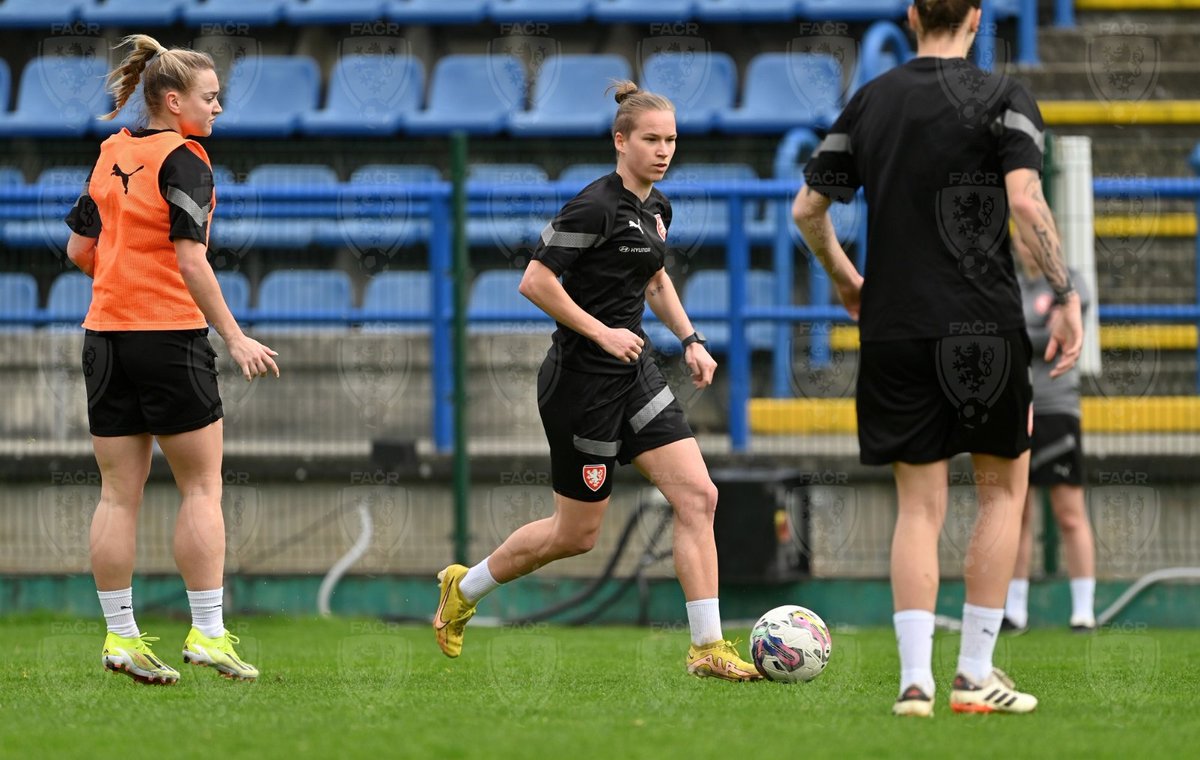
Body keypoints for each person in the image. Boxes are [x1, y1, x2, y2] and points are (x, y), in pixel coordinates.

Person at [792, 0, 1083, 716]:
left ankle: (914, 683)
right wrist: (1066, 292)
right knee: (1000, 495)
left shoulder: (871, 100)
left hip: (895, 326)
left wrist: (845, 280)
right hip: (983, 326)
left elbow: (806, 210)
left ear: (915, 15)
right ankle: (973, 674)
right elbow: (1025, 201)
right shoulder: (1005, 96)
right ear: (978, 18)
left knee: (917, 509)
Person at [432, 81, 761, 682]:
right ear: (620, 140)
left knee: (699, 496)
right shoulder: (594, 206)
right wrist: (602, 331)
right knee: (576, 535)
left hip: (634, 376)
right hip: (580, 385)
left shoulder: (657, 208)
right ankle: (466, 585)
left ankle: (707, 647)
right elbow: (535, 281)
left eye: (672, 141)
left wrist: (691, 340)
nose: (664, 151)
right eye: (651, 139)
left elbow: (654, 280)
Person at [64, 34, 278, 685]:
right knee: (202, 486)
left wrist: (124, 279)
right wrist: (236, 336)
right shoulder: (186, 159)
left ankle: (121, 637)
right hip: (169, 339)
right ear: (173, 98)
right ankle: (208, 634)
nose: (218, 109)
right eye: (211, 98)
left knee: (117, 496)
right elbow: (191, 258)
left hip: (104, 338)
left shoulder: (112, 152)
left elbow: (78, 251)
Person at [1003, 225, 1097, 633]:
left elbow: (1053, 339)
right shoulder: (1009, 284)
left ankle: (1083, 611)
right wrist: (1032, 332)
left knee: (1069, 512)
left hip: (1057, 408)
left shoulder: (1071, 283)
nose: (1026, 248)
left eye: (1033, 240)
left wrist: (1022, 334)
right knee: (1015, 513)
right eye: (1021, 240)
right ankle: (1014, 611)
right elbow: (1010, 335)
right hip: (1015, 407)